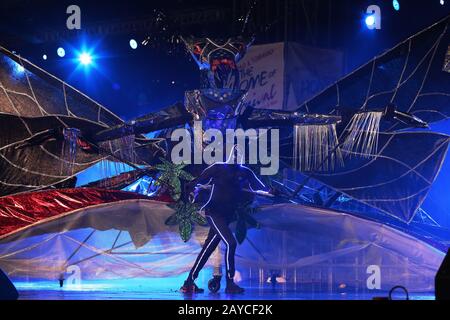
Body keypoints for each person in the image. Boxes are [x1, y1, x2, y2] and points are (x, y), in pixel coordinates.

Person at [180, 154, 273, 294]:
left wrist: (270, 191)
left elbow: (261, 187)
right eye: (234, 154)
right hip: (213, 212)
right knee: (231, 243)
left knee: (208, 249)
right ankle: (230, 282)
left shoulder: (245, 172)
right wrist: (191, 190)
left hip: (227, 215)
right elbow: (197, 181)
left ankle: (188, 282)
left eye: (239, 154)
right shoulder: (218, 167)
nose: (236, 156)